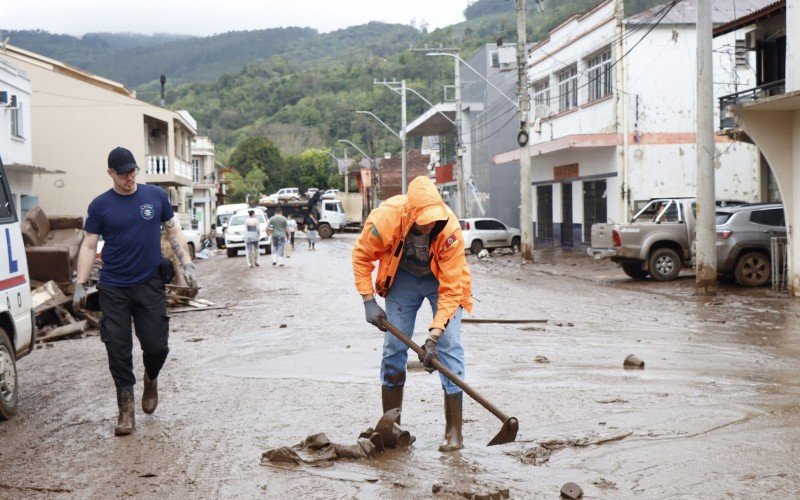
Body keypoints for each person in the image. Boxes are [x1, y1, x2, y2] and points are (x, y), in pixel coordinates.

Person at [73, 146, 198, 437]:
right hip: (114, 286)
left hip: (150, 283)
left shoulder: (155, 196)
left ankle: (151, 376)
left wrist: (188, 264)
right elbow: (90, 246)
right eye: (123, 174)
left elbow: (173, 230)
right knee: (117, 348)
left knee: (156, 345)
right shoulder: (100, 205)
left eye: (133, 172)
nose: (130, 178)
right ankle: (126, 409)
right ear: (110, 174)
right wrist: (80, 284)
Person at [352, 176, 472, 452]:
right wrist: (368, 300)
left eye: (433, 220)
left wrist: (433, 336)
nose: (429, 225)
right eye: (423, 220)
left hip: (438, 280)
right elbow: (361, 256)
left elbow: (452, 289)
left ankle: (454, 431)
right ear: (410, 213)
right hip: (402, 278)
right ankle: (391, 427)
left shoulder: (449, 229)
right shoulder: (385, 219)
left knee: (450, 345)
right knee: (394, 347)